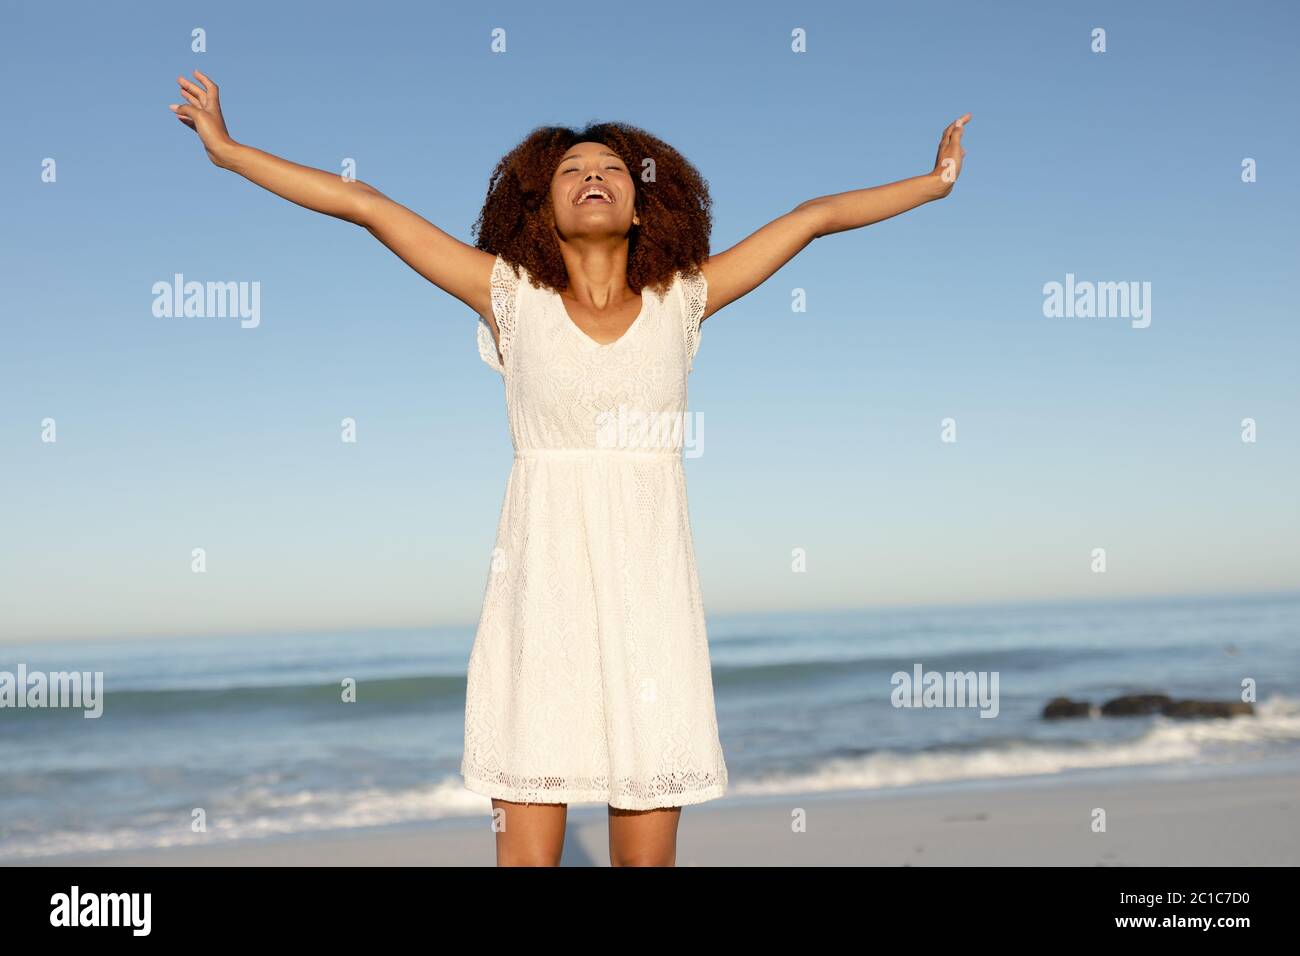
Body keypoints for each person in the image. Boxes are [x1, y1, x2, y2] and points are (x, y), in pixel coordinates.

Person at [170, 69, 969, 866]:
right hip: (539, 600)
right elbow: (366, 205)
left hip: (651, 609)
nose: (593, 177)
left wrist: (933, 185)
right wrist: (229, 152)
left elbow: (813, 217)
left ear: (643, 202)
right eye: (572, 171)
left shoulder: (682, 300)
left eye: (613, 170)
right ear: (539, 205)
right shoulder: (510, 296)